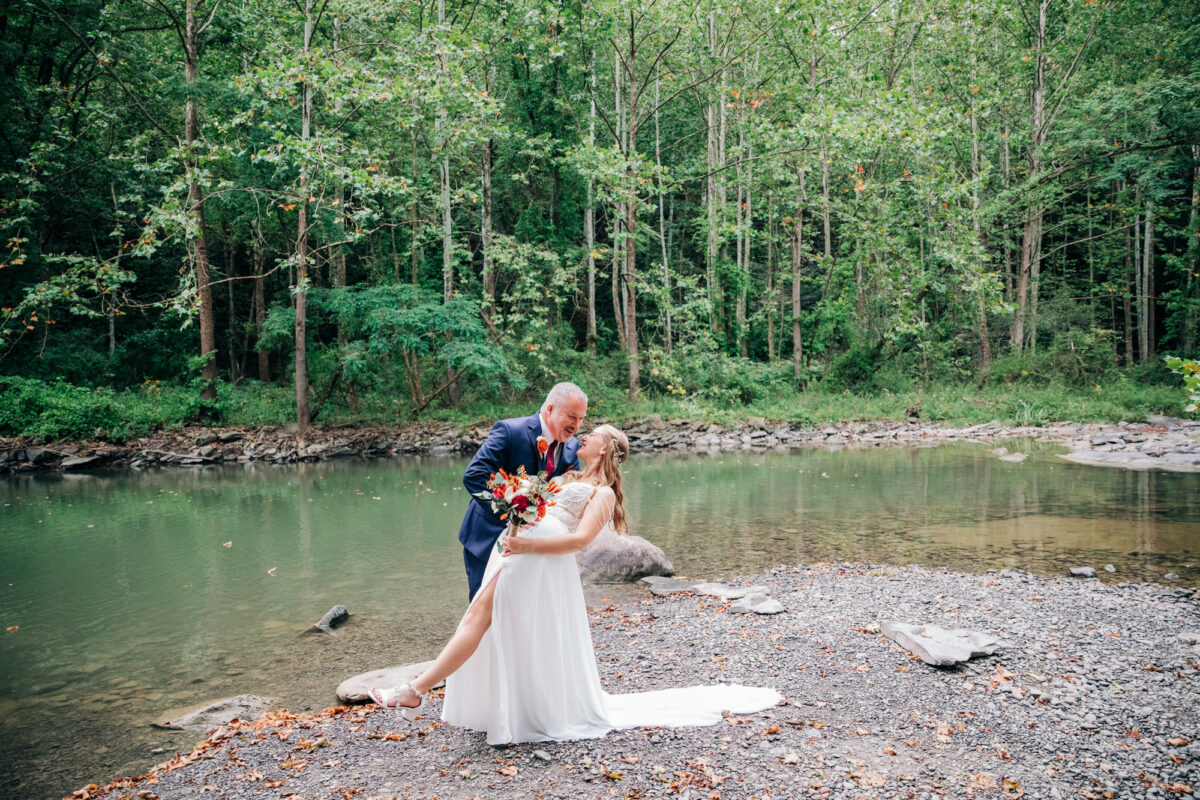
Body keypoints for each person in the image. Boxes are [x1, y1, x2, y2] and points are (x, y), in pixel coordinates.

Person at [369, 424, 780, 743]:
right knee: (485, 621)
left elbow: (581, 542)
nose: (583, 436)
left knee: (479, 618)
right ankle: (481, 701)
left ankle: (416, 691)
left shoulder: (601, 494)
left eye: (592, 435)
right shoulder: (566, 475)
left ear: (603, 449)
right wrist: (519, 507)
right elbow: (537, 507)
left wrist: (526, 546)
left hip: (534, 562)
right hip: (517, 553)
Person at [456, 382, 587, 601]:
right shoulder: (510, 431)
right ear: (550, 409)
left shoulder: (572, 448)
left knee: (518, 609)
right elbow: (474, 476)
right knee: (482, 609)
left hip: (532, 547)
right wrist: (510, 513)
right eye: (572, 417)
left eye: (581, 419)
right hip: (487, 538)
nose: (577, 425)